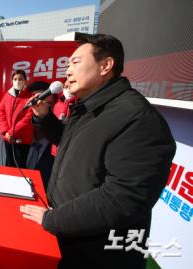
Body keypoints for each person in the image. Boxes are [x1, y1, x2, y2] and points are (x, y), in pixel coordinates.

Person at [20, 34, 176, 269]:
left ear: (105, 66)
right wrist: (44, 117)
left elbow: (122, 199)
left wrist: (53, 219)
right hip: (67, 240)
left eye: (75, 62)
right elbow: (68, 141)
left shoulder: (139, 119)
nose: (67, 71)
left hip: (98, 256)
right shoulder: (88, 107)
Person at [0, 69, 34, 168]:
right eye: (15, 79)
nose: (18, 81)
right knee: (9, 164)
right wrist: (5, 132)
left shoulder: (30, 97)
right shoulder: (7, 96)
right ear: (12, 81)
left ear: (25, 80)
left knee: (20, 166)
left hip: (22, 139)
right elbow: (1, 113)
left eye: (21, 79)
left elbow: (28, 118)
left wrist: (12, 132)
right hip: (8, 138)